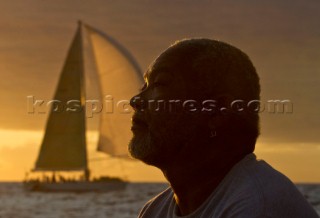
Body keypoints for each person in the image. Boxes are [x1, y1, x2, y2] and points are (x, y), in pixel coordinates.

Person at [129, 39, 318, 218]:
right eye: (143, 86)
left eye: (159, 84)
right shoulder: (154, 211)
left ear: (215, 112)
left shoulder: (257, 208)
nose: (135, 101)